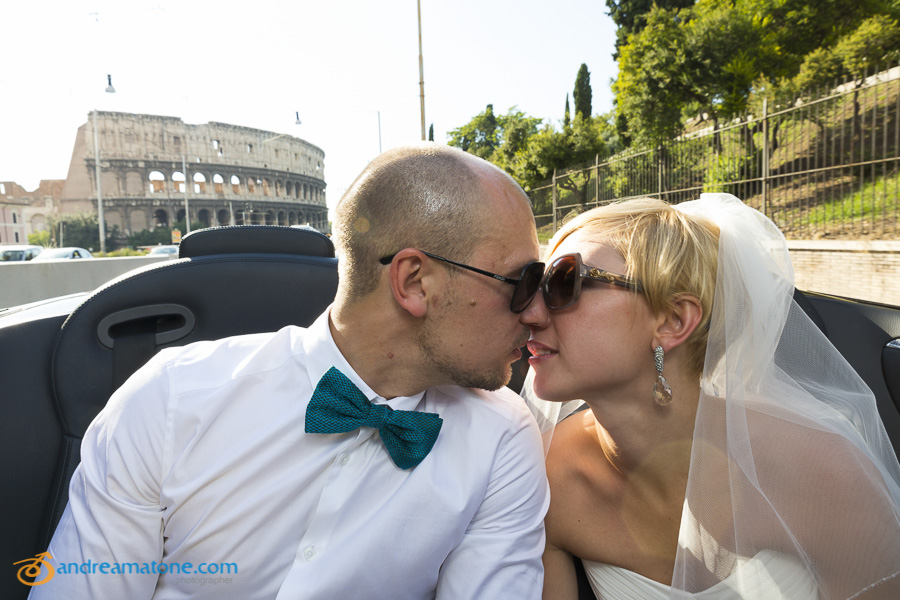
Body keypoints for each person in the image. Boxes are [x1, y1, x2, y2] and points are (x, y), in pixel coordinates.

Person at [32, 143, 550, 599]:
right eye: (523, 281)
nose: (537, 313)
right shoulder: (170, 400)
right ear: (415, 281)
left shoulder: (503, 438)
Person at [520, 193, 900, 599]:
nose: (530, 314)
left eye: (564, 283)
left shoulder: (824, 470)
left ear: (673, 321)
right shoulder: (540, 476)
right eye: (532, 288)